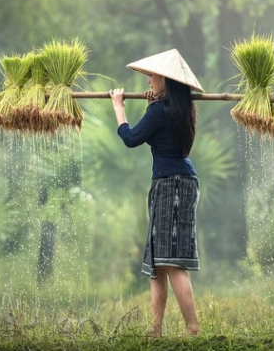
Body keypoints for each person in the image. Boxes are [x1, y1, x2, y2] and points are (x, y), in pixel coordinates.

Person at [109, 49, 204, 337]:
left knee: (170, 261)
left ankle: (192, 327)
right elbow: (157, 127)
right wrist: (153, 105)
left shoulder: (160, 112)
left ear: (165, 79)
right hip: (173, 182)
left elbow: (131, 138)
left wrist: (118, 105)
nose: (149, 81)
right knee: (157, 262)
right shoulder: (178, 109)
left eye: (152, 76)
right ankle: (155, 328)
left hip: (172, 184)